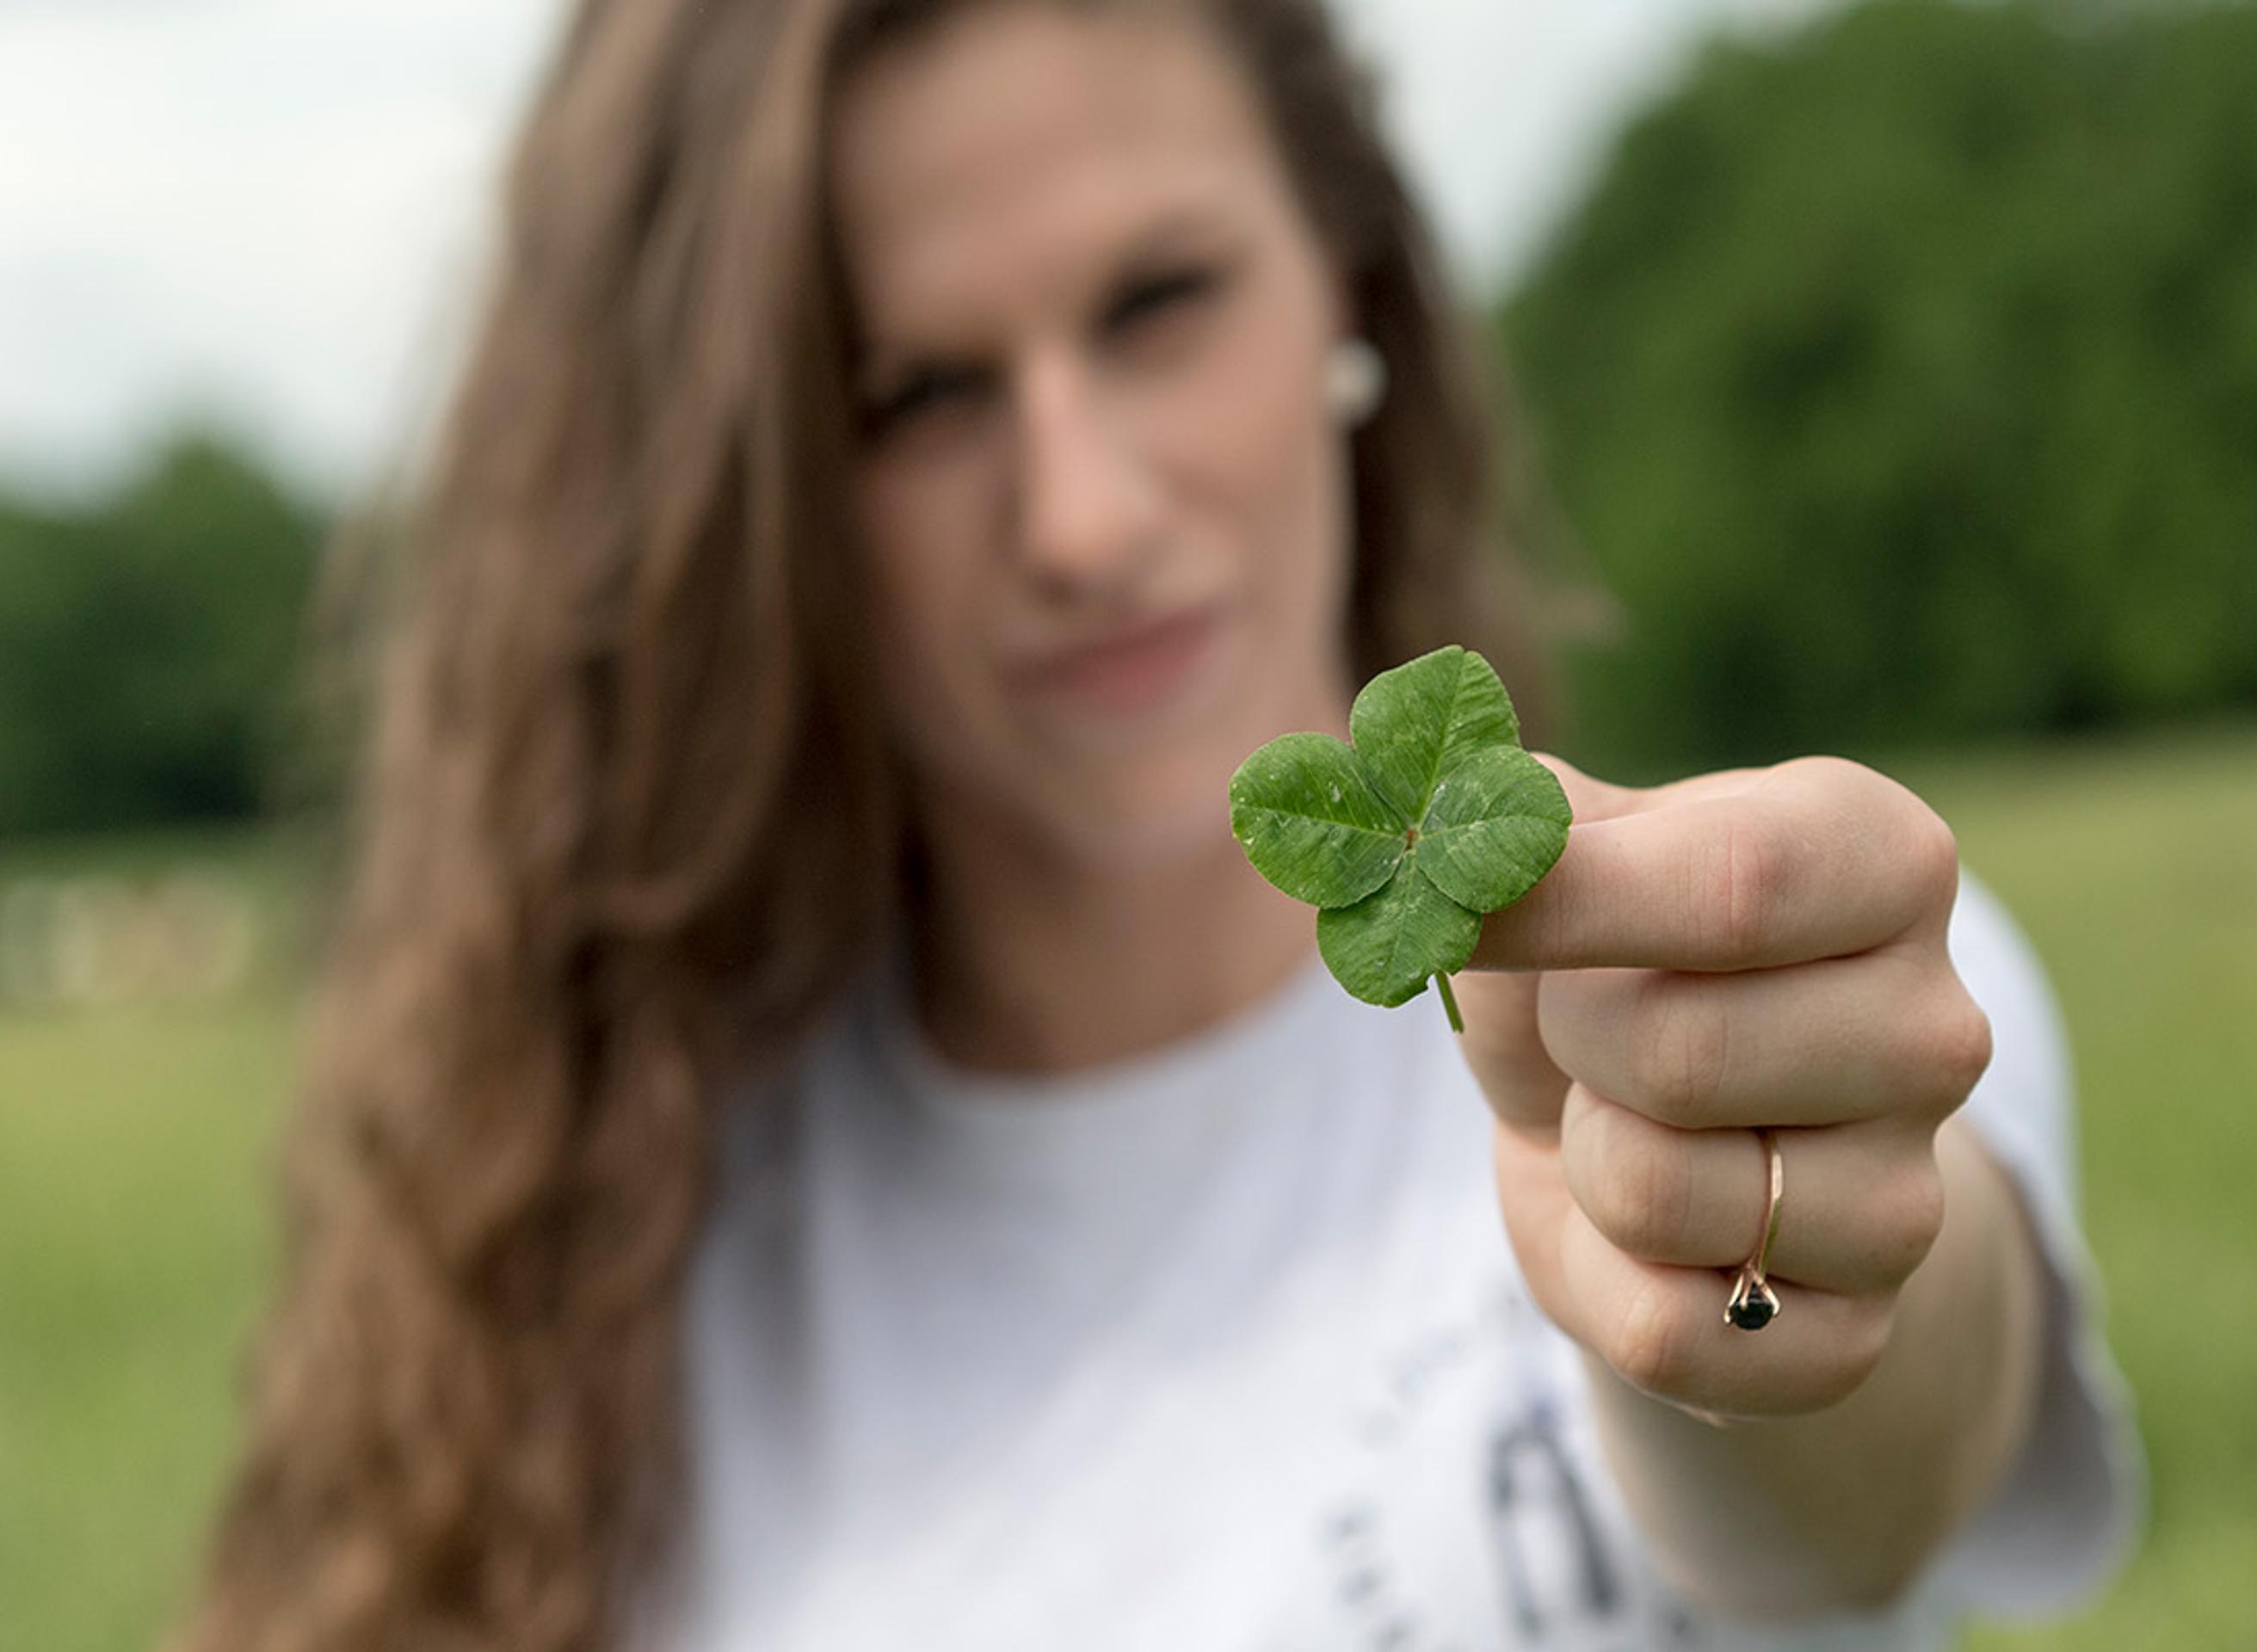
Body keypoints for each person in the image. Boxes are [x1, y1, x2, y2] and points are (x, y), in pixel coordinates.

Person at [177, 1, 2144, 1647]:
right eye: (915, 395)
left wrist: (1747, 1268)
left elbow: (1862, 1493)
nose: (1085, 519)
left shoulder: (1751, 986)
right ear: (742, 507)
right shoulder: (611, 1237)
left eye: (1160, 303)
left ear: (1348, 296)